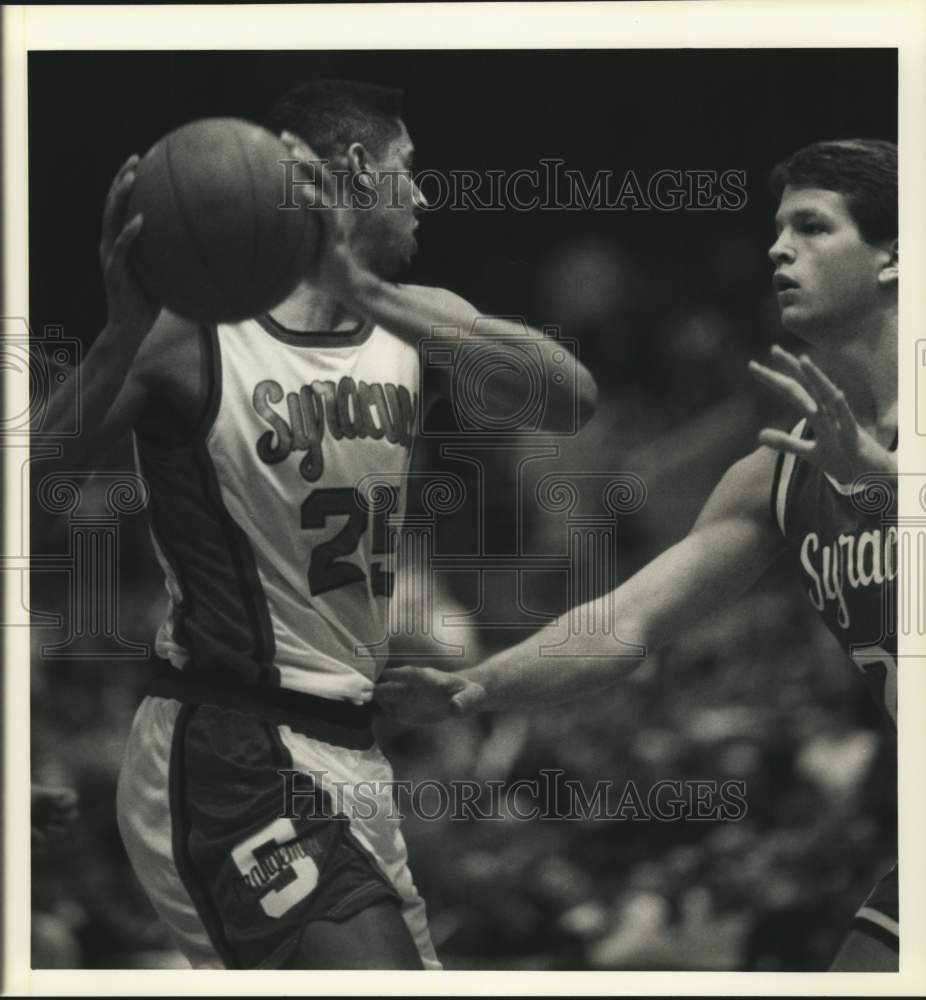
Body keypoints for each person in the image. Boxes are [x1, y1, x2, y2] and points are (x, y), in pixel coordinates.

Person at [42, 79, 597, 970]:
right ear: (353, 171)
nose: (421, 195)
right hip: (227, 741)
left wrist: (366, 292)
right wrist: (116, 334)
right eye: (408, 171)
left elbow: (570, 398)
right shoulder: (189, 337)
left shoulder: (418, 321)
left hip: (348, 749)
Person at [375, 138, 899, 971]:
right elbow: (628, 620)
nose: (778, 247)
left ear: (894, 257)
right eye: (777, 229)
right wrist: (476, 686)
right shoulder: (779, 469)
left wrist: (892, 482)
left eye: (812, 227)